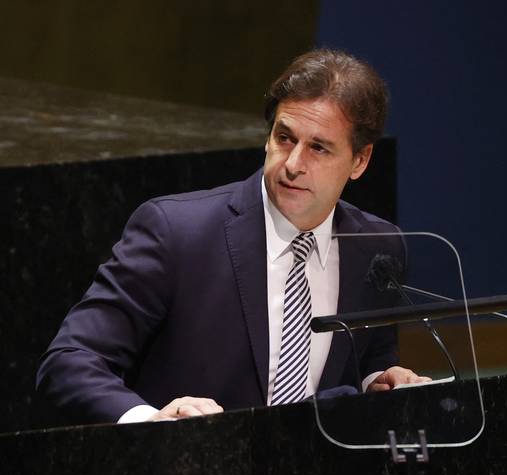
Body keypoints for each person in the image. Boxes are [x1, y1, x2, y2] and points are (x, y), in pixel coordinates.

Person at [36, 48, 430, 425]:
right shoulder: (176, 232)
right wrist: (151, 420)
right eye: (285, 137)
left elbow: (369, 358)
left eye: (319, 149)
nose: (293, 164)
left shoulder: (378, 246)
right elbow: (70, 360)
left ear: (360, 161)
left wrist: (376, 381)